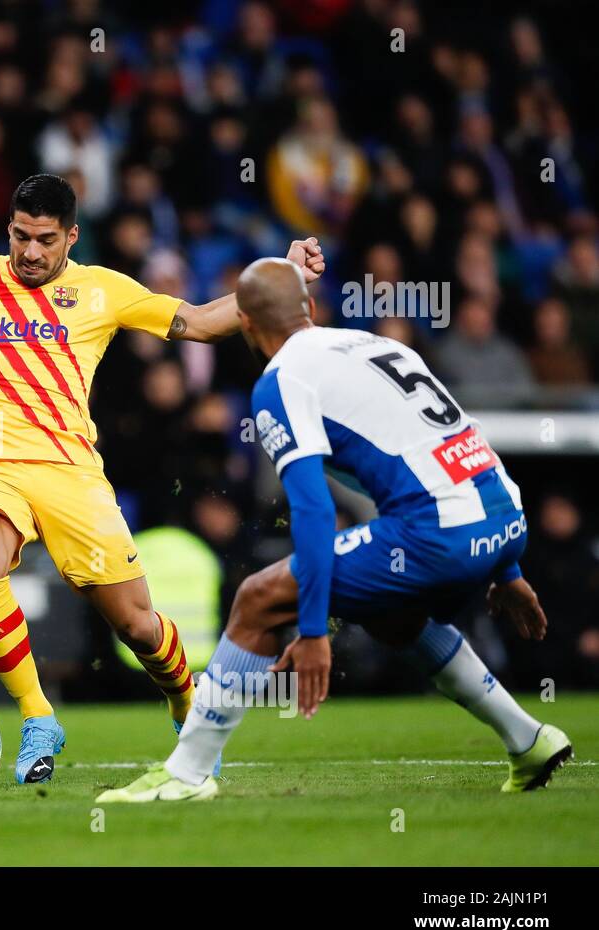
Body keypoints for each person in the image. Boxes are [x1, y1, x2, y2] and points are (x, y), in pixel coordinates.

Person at [0, 174, 325, 783]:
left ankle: (188, 704)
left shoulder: (103, 289)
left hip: (71, 472)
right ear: (8, 229)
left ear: (71, 238)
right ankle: (38, 716)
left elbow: (201, 321)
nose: (29, 252)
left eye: (46, 240)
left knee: (137, 625)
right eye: (20, 236)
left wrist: (280, 275)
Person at [98, 258, 570, 803]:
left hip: (438, 530)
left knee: (258, 597)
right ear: (311, 310)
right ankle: (527, 739)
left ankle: (186, 774)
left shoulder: (281, 382)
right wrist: (505, 564)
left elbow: (315, 511)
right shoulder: (380, 347)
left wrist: (313, 628)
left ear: (245, 323)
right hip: (503, 513)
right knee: (395, 618)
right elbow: (458, 446)